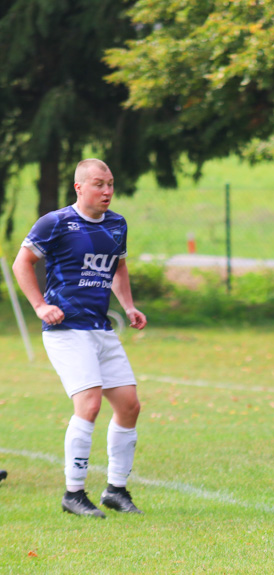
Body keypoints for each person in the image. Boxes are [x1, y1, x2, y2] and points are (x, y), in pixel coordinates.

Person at [12, 159, 147, 518]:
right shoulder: (55, 223)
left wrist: (128, 306)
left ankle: (115, 490)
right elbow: (21, 263)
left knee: (129, 405)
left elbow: (117, 266)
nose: (107, 191)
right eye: (99, 184)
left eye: (111, 184)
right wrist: (40, 306)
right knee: (88, 404)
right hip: (66, 330)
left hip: (100, 329)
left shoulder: (117, 224)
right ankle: (73, 494)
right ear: (79, 187)